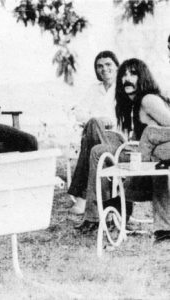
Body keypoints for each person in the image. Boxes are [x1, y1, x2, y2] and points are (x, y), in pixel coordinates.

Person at [82, 58, 170, 242]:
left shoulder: (148, 100)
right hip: (147, 152)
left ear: (143, 77)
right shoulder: (131, 103)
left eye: (133, 74)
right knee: (99, 150)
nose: (126, 78)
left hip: (156, 150)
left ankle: (123, 200)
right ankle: (162, 228)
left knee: (151, 146)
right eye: (123, 74)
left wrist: (149, 137)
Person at [67, 51, 124, 215]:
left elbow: (130, 117)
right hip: (95, 134)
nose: (104, 69)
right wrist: (98, 120)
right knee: (93, 125)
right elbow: (78, 112)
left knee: (91, 132)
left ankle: (82, 197)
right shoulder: (94, 89)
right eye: (100, 66)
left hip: (117, 138)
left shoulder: (122, 88)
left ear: (116, 66)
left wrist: (111, 121)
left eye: (108, 65)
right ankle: (87, 197)